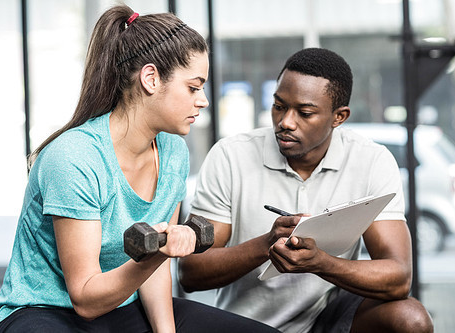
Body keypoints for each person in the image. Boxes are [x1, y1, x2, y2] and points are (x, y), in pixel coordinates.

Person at [0, 5, 280, 333]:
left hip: (121, 307)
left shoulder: (173, 152)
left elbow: (154, 270)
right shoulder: (74, 157)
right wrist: (160, 251)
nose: (203, 100)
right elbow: (86, 299)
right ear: (151, 78)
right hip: (45, 313)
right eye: (193, 87)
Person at [178, 48, 434, 332]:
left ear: (339, 117)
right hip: (248, 323)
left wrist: (321, 263)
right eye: (279, 106)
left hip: (328, 319)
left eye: (305, 112)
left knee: (411, 319)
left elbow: (399, 278)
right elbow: (191, 272)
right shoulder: (230, 156)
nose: (286, 122)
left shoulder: (371, 161)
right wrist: (266, 245)